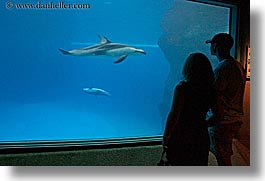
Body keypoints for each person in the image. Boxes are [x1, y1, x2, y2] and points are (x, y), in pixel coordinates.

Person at [163, 53, 214, 166]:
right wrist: (202, 124)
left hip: (182, 135)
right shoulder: (211, 89)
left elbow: (174, 115)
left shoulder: (182, 88)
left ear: (187, 68)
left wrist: (166, 136)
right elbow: (218, 114)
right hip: (201, 136)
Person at [205, 33, 246, 166]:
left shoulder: (222, 68)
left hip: (223, 121)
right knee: (224, 154)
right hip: (234, 118)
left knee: (222, 157)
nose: (210, 47)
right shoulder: (238, 65)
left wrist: (213, 118)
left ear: (216, 46)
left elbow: (215, 95)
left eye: (212, 44)